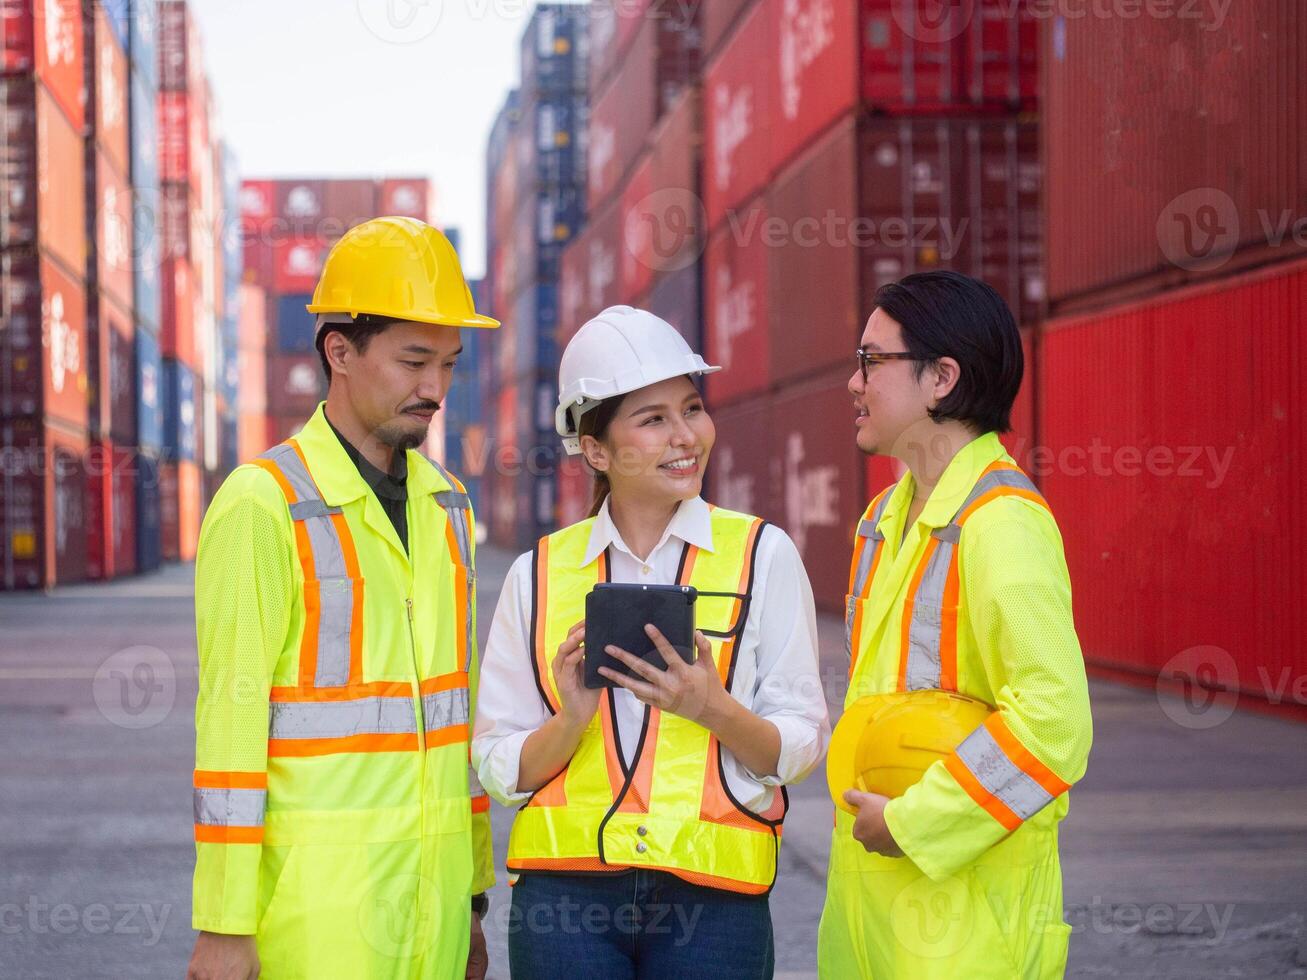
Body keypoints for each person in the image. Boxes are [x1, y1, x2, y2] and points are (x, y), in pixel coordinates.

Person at [471, 306, 829, 979]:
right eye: (653, 417)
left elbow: (801, 744)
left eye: (691, 408)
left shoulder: (762, 556)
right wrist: (570, 719)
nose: (686, 434)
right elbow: (498, 765)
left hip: (714, 901)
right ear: (596, 449)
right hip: (565, 901)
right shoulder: (539, 574)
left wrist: (711, 708)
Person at [187, 217, 497, 980]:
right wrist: (224, 925)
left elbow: (457, 718)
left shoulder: (448, 505)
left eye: (450, 365)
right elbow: (229, 727)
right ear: (339, 352)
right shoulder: (262, 504)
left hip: (434, 906)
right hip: (317, 922)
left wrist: (474, 898)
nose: (435, 389)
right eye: (414, 361)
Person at [818, 271, 1092, 977]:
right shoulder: (881, 520)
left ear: (941, 378)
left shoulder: (1001, 522)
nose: (853, 383)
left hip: (968, 920)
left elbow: (1054, 723)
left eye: (870, 361)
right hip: (869, 907)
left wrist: (912, 824)